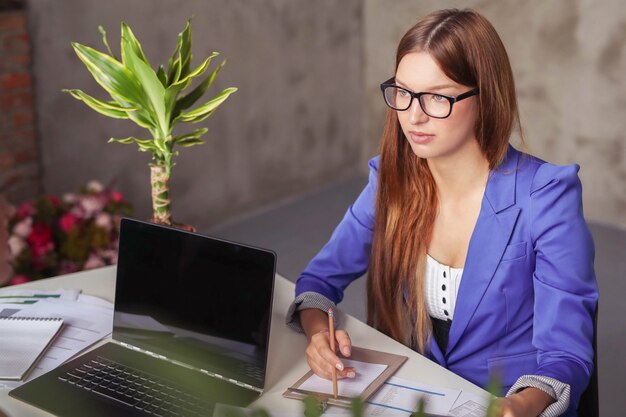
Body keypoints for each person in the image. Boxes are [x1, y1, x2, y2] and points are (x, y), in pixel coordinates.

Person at [285, 8, 598, 417]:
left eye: (437, 96)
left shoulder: (546, 195)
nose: (413, 115)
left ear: (484, 96)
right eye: (402, 92)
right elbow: (319, 281)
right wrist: (317, 334)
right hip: (416, 395)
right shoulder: (390, 181)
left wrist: (520, 405)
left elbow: (566, 354)